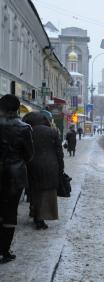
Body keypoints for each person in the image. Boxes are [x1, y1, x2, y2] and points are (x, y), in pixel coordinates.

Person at [0, 94, 34, 264]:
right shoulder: (24, 128)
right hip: (14, 176)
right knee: (9, 213)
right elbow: (29, 155)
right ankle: (4, 252)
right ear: (17, 109)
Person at [22, 112, 64, 230]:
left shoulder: (28, 131)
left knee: (34, 191)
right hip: (50, 165)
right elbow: (59, 153)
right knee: (47, 193)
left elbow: (24, 150)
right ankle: (42, 217)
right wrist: (60, 168)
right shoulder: (52, 132)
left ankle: (35, 214)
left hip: (32, 165)